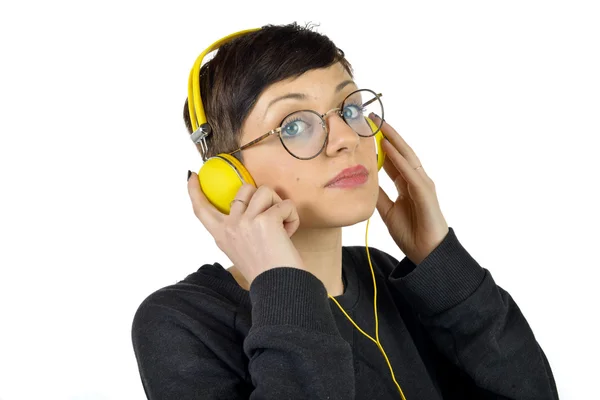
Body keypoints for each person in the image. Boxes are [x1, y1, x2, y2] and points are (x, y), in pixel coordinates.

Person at [131, 23, 559, 399]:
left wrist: (441, 264)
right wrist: (283, 286)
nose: (345, 139)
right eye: (294, 125)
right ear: (227, 175)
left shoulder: (390, 277)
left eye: (350, 109)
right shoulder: (179, 323)